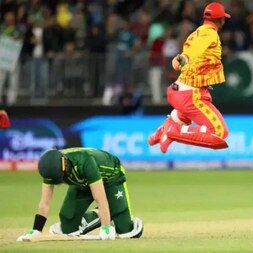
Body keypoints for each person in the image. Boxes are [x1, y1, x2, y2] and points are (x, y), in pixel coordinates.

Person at [147, 2, 230, 153]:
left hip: (181, 89)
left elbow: (196, 52)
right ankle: (173, 132)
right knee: (219, 132)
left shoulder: (196, 32)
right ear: (221, 19)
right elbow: (196, 48)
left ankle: (162, 130)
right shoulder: (209, 33)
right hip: (191, 94)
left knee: (183, 117)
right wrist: (184, 57)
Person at [17, 148, 143, 241]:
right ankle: (99, 214)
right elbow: (45, 203)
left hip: (111, 177)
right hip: (82, 182)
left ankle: (114, 218)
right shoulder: (51, 167)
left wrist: (105, 228)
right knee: (67, 223)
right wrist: (36, 230)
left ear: (65, 165)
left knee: (125, 230)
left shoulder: (85, 161)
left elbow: (100, 197)